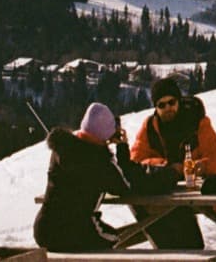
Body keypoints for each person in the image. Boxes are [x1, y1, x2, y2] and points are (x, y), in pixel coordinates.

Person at [131, 76, 216, 248]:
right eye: (161, 105)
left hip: (195, 194)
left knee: (192, 247)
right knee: (168, 242)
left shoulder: (197, 121)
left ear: (179, 101)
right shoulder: (150, 127)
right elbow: (135, 161)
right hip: (163, 193)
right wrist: (165, 167)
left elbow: (215, 158)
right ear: (155, 108)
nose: (168, 108)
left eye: (171, 102)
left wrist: (195, 167)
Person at [34, 102, 138, 252]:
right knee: (114, 239)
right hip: (76, 231)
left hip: (44, 229)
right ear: (104, 135)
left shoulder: (63, 148)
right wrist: (121, 147)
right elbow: (124, 186)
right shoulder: (99, 162)